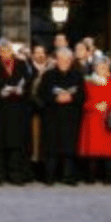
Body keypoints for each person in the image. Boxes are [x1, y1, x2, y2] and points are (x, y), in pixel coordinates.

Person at [0, 38, 30, 186]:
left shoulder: (21, 64)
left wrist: (22, 90)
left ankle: (15, 174)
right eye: (3, 50)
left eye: (8, 50)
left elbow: (28, 83)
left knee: (15, 144)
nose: (6, 53)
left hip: (17, 109)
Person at [36, 47, 85, 185]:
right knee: (51, 149)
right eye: (61, 59)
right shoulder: (48, 75)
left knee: (69, 149)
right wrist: (55, 98)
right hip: (52, 116)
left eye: (67, 60)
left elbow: (82, 95)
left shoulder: (77, 75)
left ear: (71, 61)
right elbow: (41, 94)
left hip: (71, 117)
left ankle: (69, 177)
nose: (64, 62)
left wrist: (71, 97)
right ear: (56, 60)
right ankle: (49, 177)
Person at [78, 54, 111, 184]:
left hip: (108, 120)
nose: (103, 69)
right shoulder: (88, 82)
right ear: (95, 68)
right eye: (100, 67)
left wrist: (108, 105)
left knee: (108, 151)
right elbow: (81, 101)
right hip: (93, 120)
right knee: (92, 151)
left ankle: (108, 177)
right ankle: (91, 177)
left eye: (105, 67)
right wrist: (94, 106)